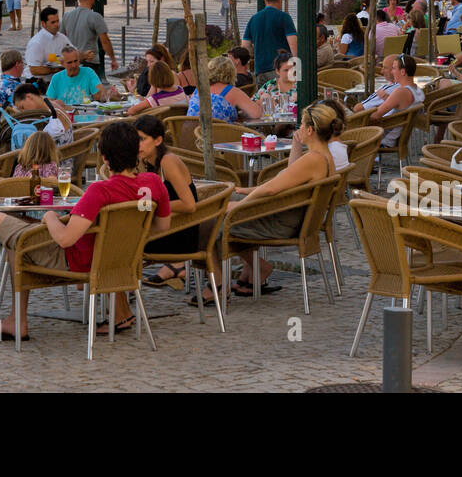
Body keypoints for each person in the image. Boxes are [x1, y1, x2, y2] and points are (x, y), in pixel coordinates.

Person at [0, 120, 170, 340]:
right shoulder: (154, 183)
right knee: (21, 235)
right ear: (137, 152)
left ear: (104, 158)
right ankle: (120, 312)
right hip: (121, 259)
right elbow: (162, 226)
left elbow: (65, 240)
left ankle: (16, 320)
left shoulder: (100, 191)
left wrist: (50, 217)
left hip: (78, 262)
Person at [201, 101, 341, 301]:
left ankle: (217, 285)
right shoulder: (323, 158)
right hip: (293, 217)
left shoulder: (314, 160)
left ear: (310, 130)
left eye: (301, 125)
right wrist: (295, 143)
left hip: (282, 222)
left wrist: (240, 204)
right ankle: (255, 268)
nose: (298, 128)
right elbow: (289, 178)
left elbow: (271, 188)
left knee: (211, 219)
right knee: (223, 198)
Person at [137, 115, 199, 290]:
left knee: (121, 242)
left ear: (158, 140)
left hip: (181, 233)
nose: (137, 145)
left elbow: (189, 204)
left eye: (142, 139)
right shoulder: (147, 162)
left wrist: (156, 207)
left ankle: (120, 293)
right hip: (167, 228)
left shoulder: (167, 161)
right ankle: (122, 293)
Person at [241, 0, 297, 85]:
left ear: (265, 0)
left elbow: (245, 46)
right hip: (281, 69)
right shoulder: (284, 17)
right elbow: (293, 44)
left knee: (264, 98)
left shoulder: (254, 19)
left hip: (260, 70)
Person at [186, 57, 262, 123]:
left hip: (193, 135)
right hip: (222, 137)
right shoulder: (232, 91)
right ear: (232, 73)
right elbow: (256, 114)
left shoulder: (198, 90)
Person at [369, 55, 424, 145]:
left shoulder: (400, 92)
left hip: (382, 138)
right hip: (393, 134)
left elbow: (375, 116)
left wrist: (358, 118)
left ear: (402, 72)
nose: (391, 72)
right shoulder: (416, 90)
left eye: (393, 68)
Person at [61, 0, 118, 72]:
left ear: (79, 0)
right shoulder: (95, 16)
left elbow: (61, 37)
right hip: (90, 61)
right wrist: (113, 59)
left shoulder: (66, 15)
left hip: (71, 61)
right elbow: (105, 41)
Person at [47, 46, 118, 106]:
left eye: (76, 61)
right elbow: (49, 102)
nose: (74, 65)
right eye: (69, 62)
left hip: (86, 115)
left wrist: (107, 94)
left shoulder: (88, 72)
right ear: (62, 64)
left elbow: (99, 95)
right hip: (65, 117)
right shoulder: (56, 78)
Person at [9, 83, 74, 145]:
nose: (23, 112)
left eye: (22, 107)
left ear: (29, 97)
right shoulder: (48, 105)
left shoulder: (53, 111)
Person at [24, 6, 73, 84]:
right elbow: (34, 69)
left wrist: (83, 55)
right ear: (43, 24)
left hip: (55, 80)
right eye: (53, 22)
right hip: (37, 82)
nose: (57, 24)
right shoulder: (36, 42)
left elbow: (73, 52)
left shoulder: (62, 37)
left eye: (57, 21)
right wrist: (56, 70)